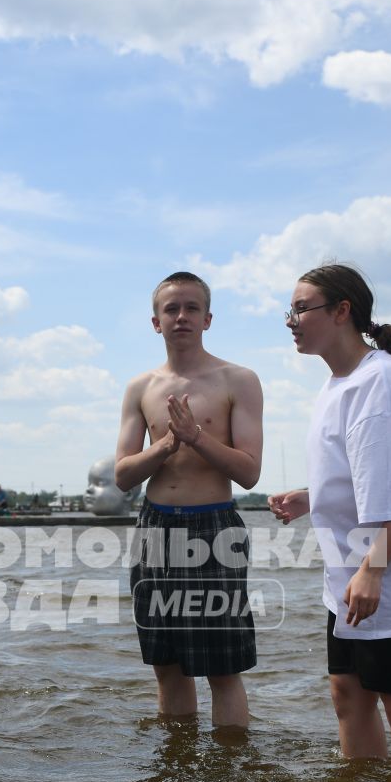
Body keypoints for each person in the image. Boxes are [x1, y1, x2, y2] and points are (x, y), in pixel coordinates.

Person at [267, 264, 391, 770]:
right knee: (347, 696)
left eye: (301, 307)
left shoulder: (381, 380)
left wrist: (373, 569)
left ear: (342, 312)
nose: (291, 320)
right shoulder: (340, 382)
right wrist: (315, 496)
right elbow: (364, 470)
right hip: (352, 573)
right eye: (289, 309)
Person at [114, 272, 264, 730]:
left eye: (192, 308)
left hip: (213, 526)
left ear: (208, 319)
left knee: (223, 667)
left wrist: (196, 438)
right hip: (155, 528)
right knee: (167, 664)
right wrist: (164, 447)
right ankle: (177, 773)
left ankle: (228, 775)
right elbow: (122, 475)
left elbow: (249, 472)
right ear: (155, 322)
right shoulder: (141, 388)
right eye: (171, 309)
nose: (182, 317)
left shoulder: (238, 380)